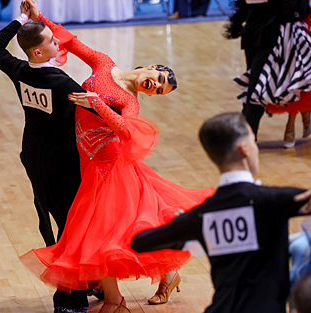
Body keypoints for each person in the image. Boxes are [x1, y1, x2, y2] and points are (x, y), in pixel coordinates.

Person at [19, 2, 215, 312]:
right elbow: (71, 42)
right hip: (84, 158)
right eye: (159, 80)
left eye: (159, 92)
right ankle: (166, 273)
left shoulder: (130, 101)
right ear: (151, 66)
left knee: (106, 232)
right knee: (126, 226)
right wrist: (37, 17)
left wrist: (97, 103)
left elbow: (125, 129)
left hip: (107, 165)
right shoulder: (104, 64)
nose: (155, 87)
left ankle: (117, 299)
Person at [130, 112, 311, 313]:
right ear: (244, 149)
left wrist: (184, 231)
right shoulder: (273, 201)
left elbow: (140, 242)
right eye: (254, 142)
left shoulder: (202, 216)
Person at [0, 1, 116, 311]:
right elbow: (100, 111)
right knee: (72, 224)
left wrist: (21, 19)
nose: (58, 42)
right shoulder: (61, 83)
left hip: (33, 155)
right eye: (52, 41)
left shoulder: (19, 70)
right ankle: (70, 297)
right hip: (63, 162)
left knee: (58, 217)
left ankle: (88, 281)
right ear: (38, 53)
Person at [226, 0, 311, 146]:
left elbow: (291, 8)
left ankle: (245, 141)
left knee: (255, 93)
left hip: (271, 35)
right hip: (256, 33)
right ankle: (245, 140)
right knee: (254, 90)